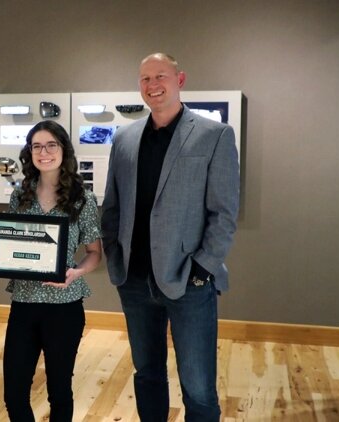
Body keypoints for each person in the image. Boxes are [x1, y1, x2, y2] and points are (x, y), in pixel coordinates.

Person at [101, 53, 239, 421]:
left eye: (160, 76)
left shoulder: (214, 135)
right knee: (147, 375)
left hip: (188, 281)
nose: (152, 85)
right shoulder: (125, 139)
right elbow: (111, 206)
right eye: (144, 79)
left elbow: (224, 213)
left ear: (180, 79)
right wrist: (116, 257)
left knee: (197, 386)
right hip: (134, 281)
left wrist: (202, 269)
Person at [1, 120, 102, 421]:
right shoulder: (20, 196)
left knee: (59, 390)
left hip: (64, 307)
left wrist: (75, 272)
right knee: (14, 392)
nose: (43, 152)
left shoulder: (82, 199)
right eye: (36, 146)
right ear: (29, 152)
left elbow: (94, 253)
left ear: (63, 150)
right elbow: (10, 242)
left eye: (51, 145)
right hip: (23, 304)